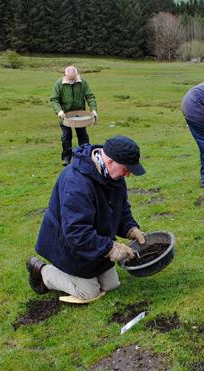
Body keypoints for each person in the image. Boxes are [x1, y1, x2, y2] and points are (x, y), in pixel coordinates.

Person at [26, 136, 147, 302]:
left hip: (95, 240)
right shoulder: (76, 183)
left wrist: (130, 228)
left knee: (111, 284)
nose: (128, 174)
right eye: (126, 169)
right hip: (70, 246)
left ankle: (86, 272)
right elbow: (76, 232)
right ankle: (42, 272)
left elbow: (121, 208)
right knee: (89, 292)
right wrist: (110, 248)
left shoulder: (114, 176)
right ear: (110, 161)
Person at [51, 66, 98, 166]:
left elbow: (90, 96)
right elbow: (54, 99)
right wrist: (59, 111)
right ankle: (67, 157)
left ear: (77, 75)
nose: (72, 80)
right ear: (65, 75)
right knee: (66, 136)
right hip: (65, 115)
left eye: (73, 78)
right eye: (70, 79)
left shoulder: (83, 83)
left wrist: (93, 110)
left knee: (83, 136)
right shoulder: (59, 84)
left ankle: (85, 156)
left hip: (80, 114)